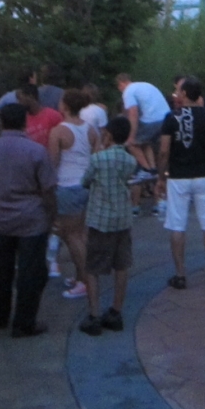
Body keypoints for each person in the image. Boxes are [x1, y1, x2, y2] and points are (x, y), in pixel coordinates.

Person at [0, 103, 57, 338]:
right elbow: (48, 189)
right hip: (32, 219)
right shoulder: (36, 151)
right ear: (25, 122)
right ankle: (24, 322)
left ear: (1, 122)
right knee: (30, 273)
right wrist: (51, 215)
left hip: (0, 218)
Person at [156, 77, 205, 290]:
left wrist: (160, 177)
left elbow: (164, 150)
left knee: (177, 225)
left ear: (185, 94)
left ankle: (180, 275)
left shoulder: (171, 118)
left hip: (178, 176)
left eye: (178, 91)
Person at [78, 117, 138, 336]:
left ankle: (94, 314)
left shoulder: (98, 159)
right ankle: (116, 311)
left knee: (93, 267)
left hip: (100, 219)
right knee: (121, 265)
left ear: (109, 135)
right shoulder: (130, 161)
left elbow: (85, 181)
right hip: (122, 219)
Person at [47, 90, 99, 300]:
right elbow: (95, 158)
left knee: (71, 236)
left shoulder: (58, 132)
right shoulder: (91, 130)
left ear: (65, 106)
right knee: (83, 234)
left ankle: (86, 281)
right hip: (86, 185)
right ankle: (81, 277)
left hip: (67, 186)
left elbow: (53, 163)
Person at [116, 74, 171, 182]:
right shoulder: (144, 85)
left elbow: (133, 114)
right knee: (145, 142)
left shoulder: (128, 91)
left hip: (152, 120)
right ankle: (152, 169)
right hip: (167, 117)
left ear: (121, 84)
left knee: (133, 144)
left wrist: (131, 137)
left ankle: (146, 169)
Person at [15, 83, 62, 149]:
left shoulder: (53, 116)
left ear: (30, 96)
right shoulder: (22, 121)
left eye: (20, 99)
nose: (19, 103)